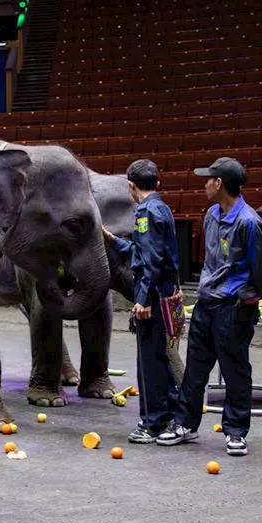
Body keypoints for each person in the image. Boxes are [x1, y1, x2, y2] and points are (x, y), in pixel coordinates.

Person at [158, 157, 262, 456]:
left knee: (235, 370)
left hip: (232, 307)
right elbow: (211, 261)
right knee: (195, 367)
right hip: (207, 304)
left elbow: (261, 267)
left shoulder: (248, 222)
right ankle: (185, 424)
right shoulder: (211, 214)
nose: (205, 183)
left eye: (208, 179)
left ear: (219, 183)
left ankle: (235, 431)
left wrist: (246, 298)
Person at [102, 159, 183, 445]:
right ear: (157, 183)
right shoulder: (163, 208)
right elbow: (145, 250)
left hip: (154, 296)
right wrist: (113, 241)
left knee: (149, 363)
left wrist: (143, 299)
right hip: (166, 293)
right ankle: (171, 416)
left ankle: (153, 423)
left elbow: (150, 261)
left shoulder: (146, 212)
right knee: (160, 357)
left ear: (131, 186)